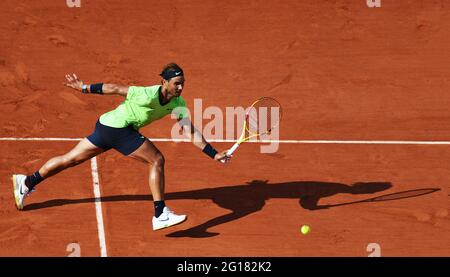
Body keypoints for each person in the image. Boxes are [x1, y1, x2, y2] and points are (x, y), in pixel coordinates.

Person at [12, 63, 231, 231]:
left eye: (183, 82)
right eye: (176, 83)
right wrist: (85, 88)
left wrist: (213, 154)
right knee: (156, 160)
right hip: (118, 128)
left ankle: (26, 182)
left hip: (108, 126)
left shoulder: (177, 104)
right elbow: (116, 88)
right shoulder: (146, 94)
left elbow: (190, 131)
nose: (181, 87)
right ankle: (160, 213)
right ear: (164, 82)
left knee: (70, 159)